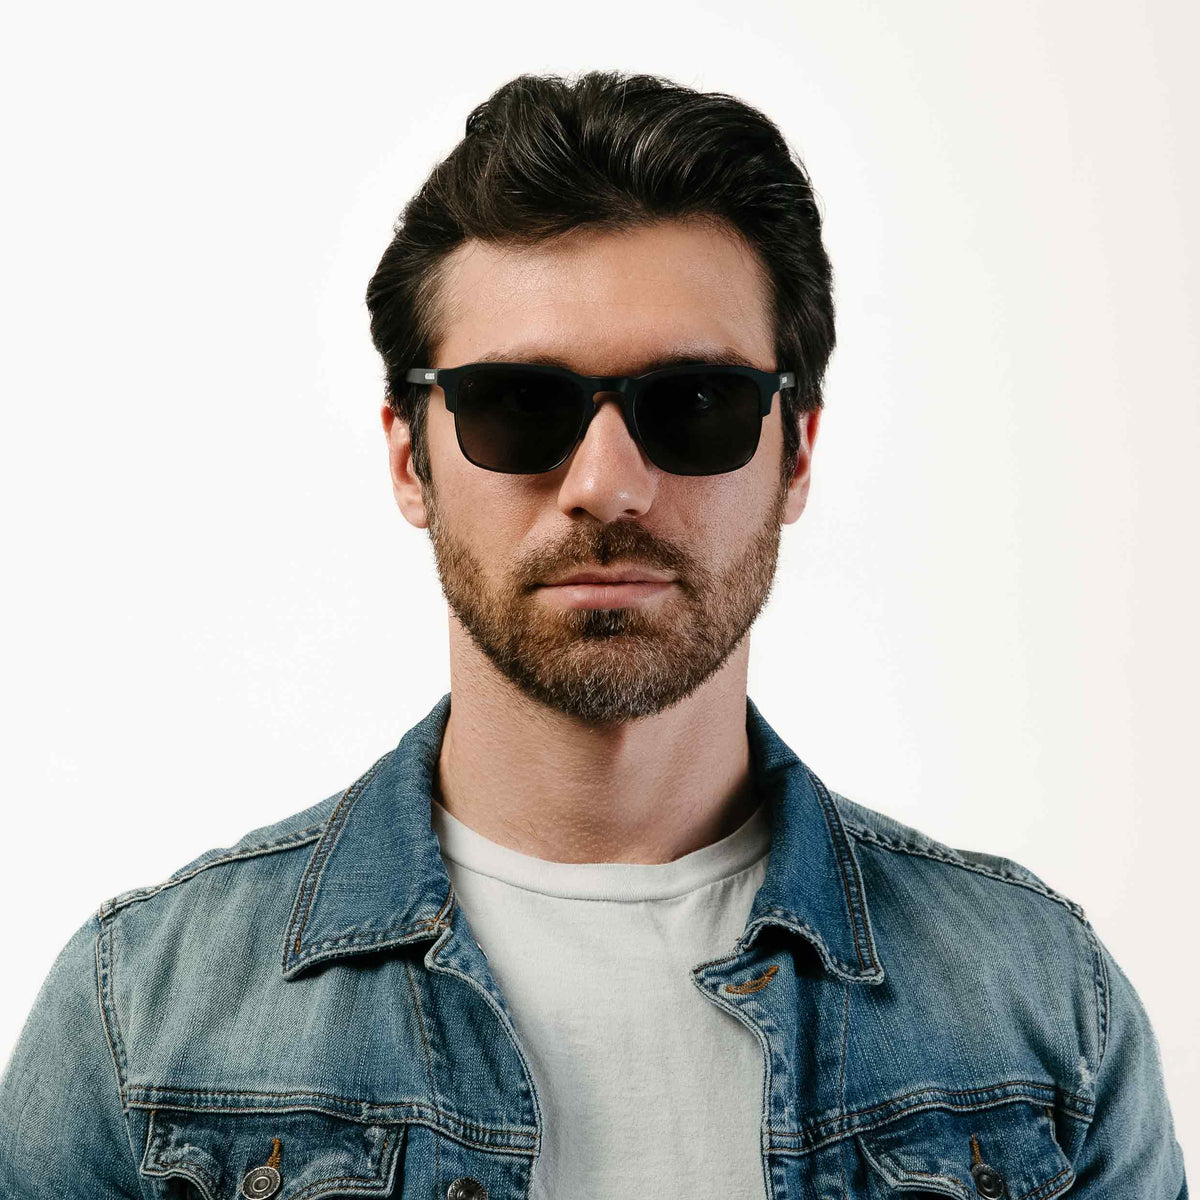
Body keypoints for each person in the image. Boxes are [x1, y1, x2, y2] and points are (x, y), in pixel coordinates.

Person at [0, 69, 1187, 1200]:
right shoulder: (144, 1021)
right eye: (518, 406)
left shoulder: (1040, 1010)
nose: (608, 485)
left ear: (799, 452)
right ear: (413, 456)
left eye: (698, 405)